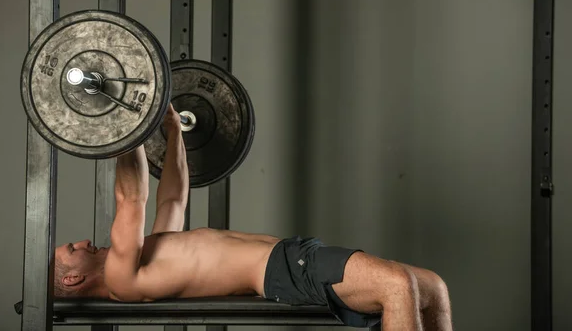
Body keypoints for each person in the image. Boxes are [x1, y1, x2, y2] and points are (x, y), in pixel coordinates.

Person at [54, 104, 453, 331]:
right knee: (397, 285)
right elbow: (131, 199)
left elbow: (171, 199)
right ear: (72, 279)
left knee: (431, 288)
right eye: (73, 249)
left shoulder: (145, 259)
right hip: (280, 270)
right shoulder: (122, 279)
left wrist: (173, 130)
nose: (85, 241)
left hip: (291, 255)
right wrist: (128, 130)